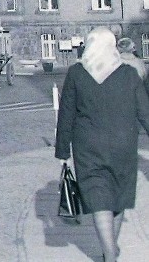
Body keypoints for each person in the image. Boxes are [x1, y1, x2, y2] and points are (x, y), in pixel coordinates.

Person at [55, 27, 149, 261]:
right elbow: (145, 113)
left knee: (99, 200)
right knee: (118, 198)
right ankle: (110, 252)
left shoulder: (77, 73)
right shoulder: (129, 75)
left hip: (88, 149)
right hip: (123, 146)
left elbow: (66, 114)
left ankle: (109, 253)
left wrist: (62, 151)